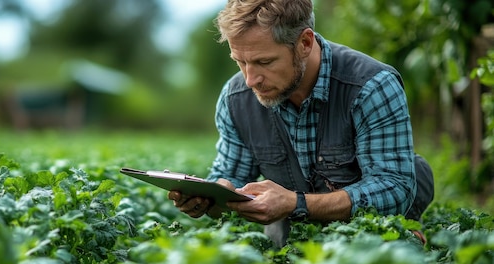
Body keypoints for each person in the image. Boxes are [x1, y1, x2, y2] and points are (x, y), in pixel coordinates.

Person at [168, 0, 434, 247]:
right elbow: (231, 173)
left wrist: (296, 203)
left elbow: (394, 187)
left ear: (305, 43)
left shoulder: (371, 86)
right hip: (290, 245)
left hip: (369, 245)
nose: (251, 80)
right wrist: (213, 197)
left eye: (264, 62)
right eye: (240, 62)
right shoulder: (236, 99)